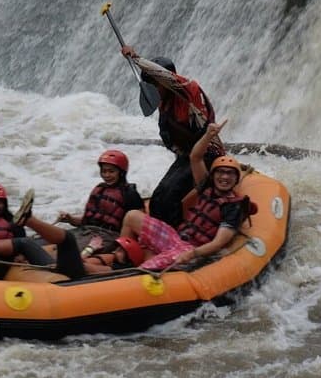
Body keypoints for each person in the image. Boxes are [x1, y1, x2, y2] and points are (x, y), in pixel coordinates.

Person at [118, 120, 249, 271]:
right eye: (220, 172)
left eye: (230, 174)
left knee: (146, 269)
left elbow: (218, 243)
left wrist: (193, 253)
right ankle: (120, 255)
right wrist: (208, 135)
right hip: (175, 237)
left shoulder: (234, 207)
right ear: (213, 175)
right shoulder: (206, 186)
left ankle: (128, 276)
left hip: (190, 248)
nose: (224, 177)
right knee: (132, 216)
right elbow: (195, 157)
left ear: (236, 179)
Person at [120, 45, 225, 227]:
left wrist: (137, 59)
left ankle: (178, 235)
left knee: (168, 197)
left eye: (155, 84)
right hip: (187, 156)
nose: (153, 88)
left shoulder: (188, 90)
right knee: (158, 199)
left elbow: (165, 77)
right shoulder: (164, 104)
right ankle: (166, 232)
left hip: (208, 155)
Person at [56, 149, 144, 238]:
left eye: (111, 171)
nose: (107, 175)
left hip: (109, 236)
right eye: (104, 171)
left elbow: (138, 225)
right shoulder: (99, 189)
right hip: (86, 231)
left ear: (121, 173)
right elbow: (85, 221)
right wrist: (70, 219)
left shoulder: (130, 193)